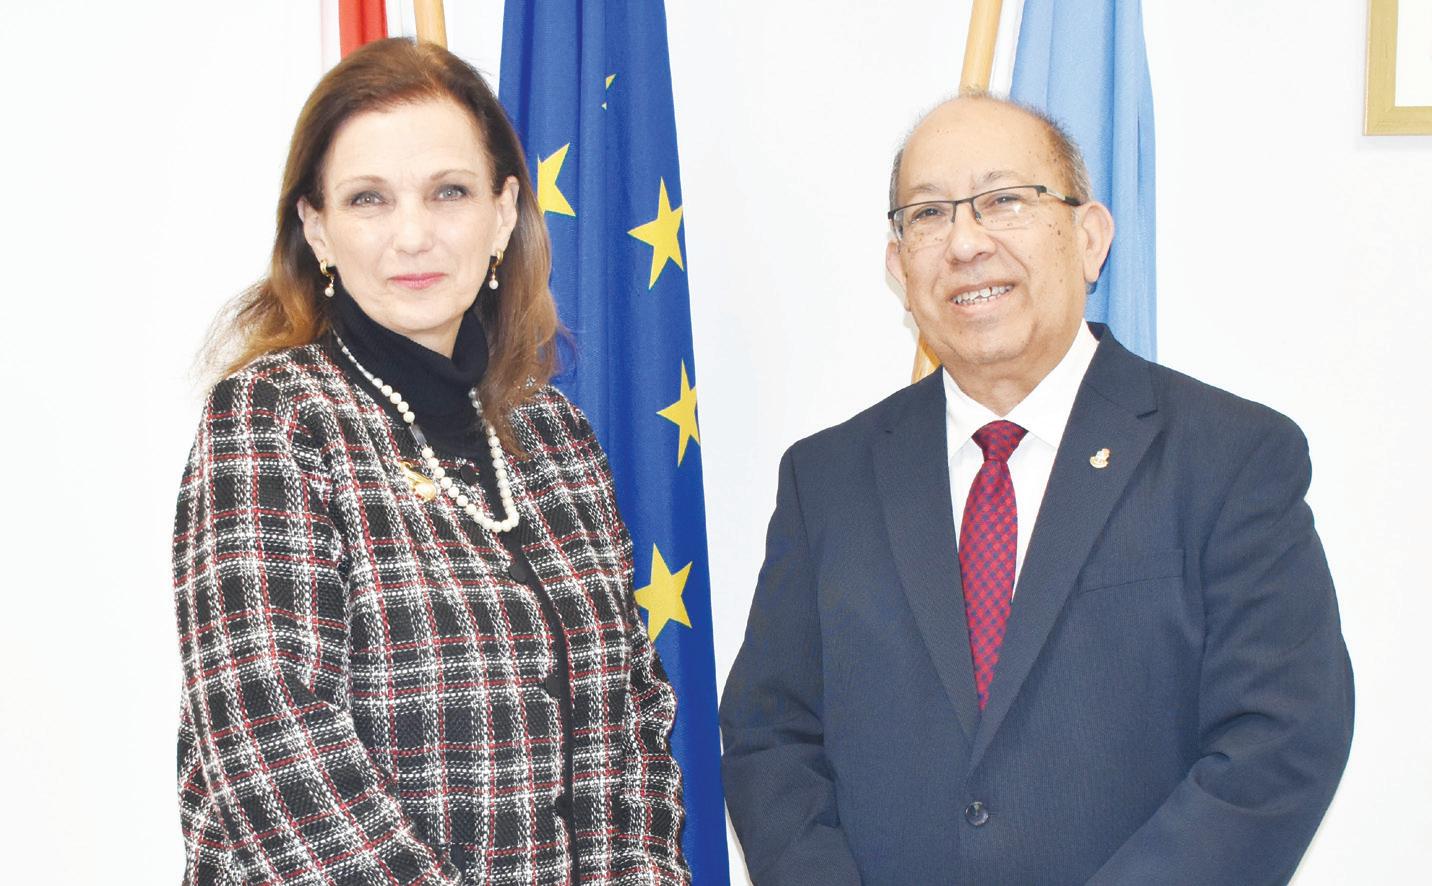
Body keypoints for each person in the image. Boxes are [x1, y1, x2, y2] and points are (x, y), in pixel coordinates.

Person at [720, 94, 1354, 885]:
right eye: (928, 215)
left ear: (1090, 238)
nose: (965, 243)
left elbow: (1279, 742)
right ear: (898, 267)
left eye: (1004, 200)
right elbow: (770, 738)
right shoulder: (826, 479)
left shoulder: (1230, 457)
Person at [172, 38, 688, 886]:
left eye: (449, 192)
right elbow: (270, 744)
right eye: (368, 199)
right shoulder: (273, 418)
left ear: (503, 212)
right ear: (317, 229)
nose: (413, 235)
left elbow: (630, 723)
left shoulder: (557, 438)